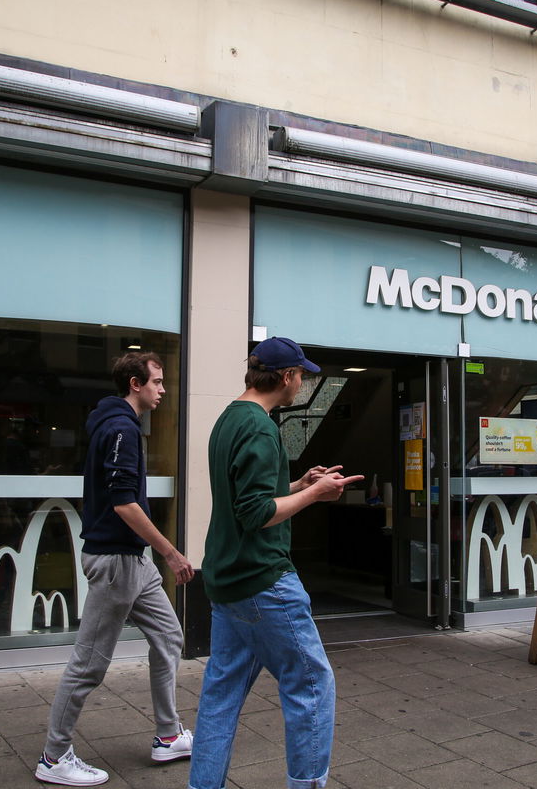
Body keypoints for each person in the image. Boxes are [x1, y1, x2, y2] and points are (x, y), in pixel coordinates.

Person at [189, 337, 363, 789]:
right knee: (311, 688)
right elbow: (256, 514)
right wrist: (316, 493)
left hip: (226, 582)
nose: (302, 383)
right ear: (286, 377)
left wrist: (297, 481)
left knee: (220, 696)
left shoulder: (230, 419)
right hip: (263, 581)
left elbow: (250, 494)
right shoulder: (263, 428)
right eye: (301, 375)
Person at [36, 352, 195, 786]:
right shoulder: (123, 428)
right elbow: (124, 503)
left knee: (169, 636)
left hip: (131, 562)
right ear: (134, 383)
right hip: (116, 564)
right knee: (88, 665)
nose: (163, 389)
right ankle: (54, 758)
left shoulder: (120, 425)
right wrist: (171, 553)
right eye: (157, 382)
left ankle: (168, 735)